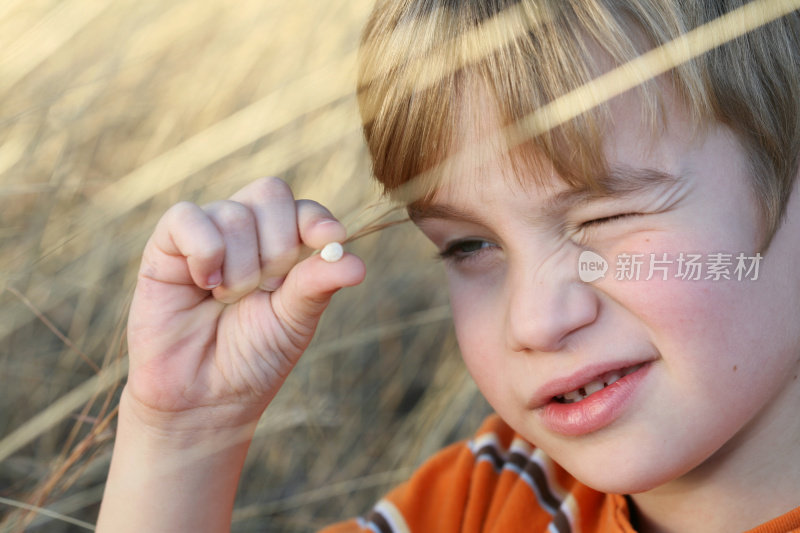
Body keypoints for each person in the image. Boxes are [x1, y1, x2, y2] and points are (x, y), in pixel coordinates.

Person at [97, 0, 800, 531]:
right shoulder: (490, 498)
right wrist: (183, 432)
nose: (535, 320)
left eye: (605, 217)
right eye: (469, 246)